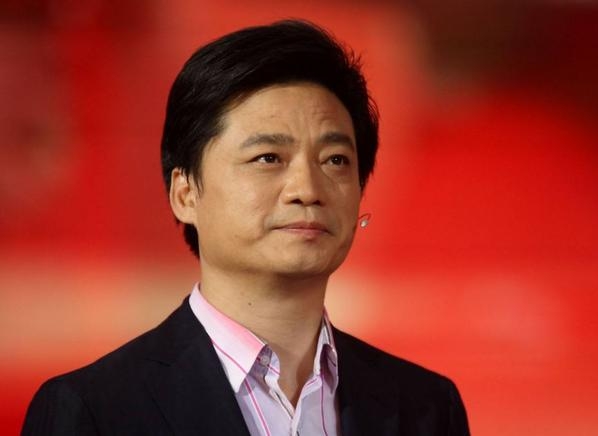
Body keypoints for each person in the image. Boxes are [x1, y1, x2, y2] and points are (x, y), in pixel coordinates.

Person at [22, 20, 470, 436]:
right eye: (268, 158)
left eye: (335, 160)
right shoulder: (93, 409)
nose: (307, 189)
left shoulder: (427, 407)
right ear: (185, 194)